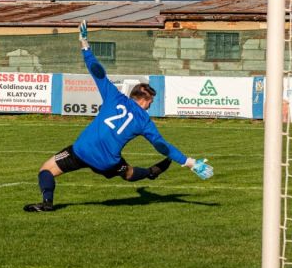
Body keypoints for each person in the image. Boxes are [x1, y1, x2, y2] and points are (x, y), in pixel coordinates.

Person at [24, 21, 213, 212]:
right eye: (151, 101)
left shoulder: (114, 96)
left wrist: (85, 44)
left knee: (46, 170)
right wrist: (189, 162)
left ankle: (47, 203)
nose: (151, 105)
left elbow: (97, 72)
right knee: (128, 173)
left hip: (83, 151)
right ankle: (150, 173)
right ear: (143, 99)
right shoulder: (144, 121)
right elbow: (161, 146)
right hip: (107, 162)